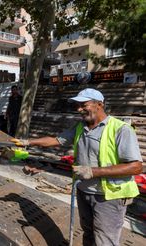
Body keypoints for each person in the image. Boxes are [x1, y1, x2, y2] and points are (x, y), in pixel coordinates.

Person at [11, 88, 142, 245]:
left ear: (99, 104)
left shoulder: (121, 129)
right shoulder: (80, 127)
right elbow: (56, 140)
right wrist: (27, 142)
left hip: (109, 197)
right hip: (83, 191)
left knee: (105, 239)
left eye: (83, 105)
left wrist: (93, 171)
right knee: (88, 233)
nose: (79, 109)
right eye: (77, 106)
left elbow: (136, 167)